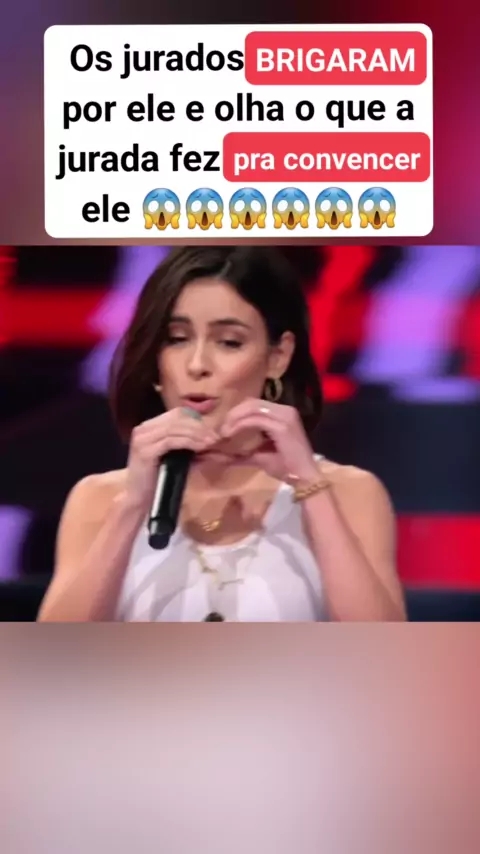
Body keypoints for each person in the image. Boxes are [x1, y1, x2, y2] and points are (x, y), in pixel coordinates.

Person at [38, 246, 406, 622]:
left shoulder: (347, 493)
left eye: (229, 342)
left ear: (278, 357)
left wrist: (309, 486)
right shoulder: (100, 499)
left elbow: (386, 651)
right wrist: (133, 505)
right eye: (176, 339)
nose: (197, 364)